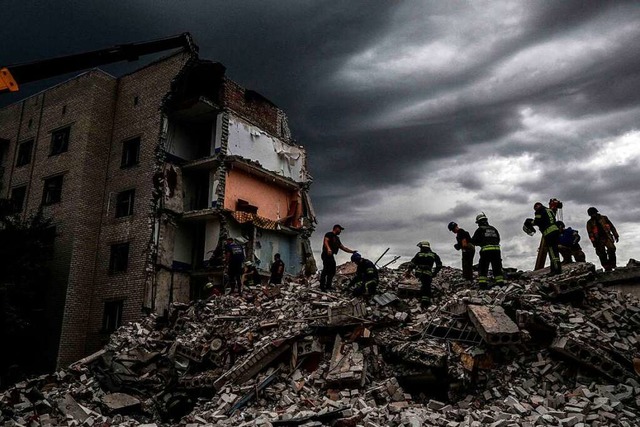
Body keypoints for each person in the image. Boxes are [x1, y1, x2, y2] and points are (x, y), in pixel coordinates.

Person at [471, 212, 504, 288]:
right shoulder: (494, 229)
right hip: (496, 251)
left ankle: (483, 285)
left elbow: (474, 241)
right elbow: (498, 239)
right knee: (497, 268)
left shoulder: (480, 230)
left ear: (479, 222)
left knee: (483, 268)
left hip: (486, 251)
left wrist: (480, 243)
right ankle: (500, 284)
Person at [319, 224, 357, 291]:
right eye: (340, 230)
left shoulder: (337, 239)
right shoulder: (329, 234)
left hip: (331, 255)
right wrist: (328, 249)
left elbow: (343, 247)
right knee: (326, 270)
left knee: (332, 270)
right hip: (326, 254)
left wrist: (352, 251)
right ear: (336, 228)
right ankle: (322, 287)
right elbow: (325, 241)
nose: (340, 231)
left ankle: (328, 286)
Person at [406, 241, 442, 306]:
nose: (420, 249)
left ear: (423, 247)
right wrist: (435, 273)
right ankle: (425, 303)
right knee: (426, 288)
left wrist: (409, 271)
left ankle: (418, 300)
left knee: (419, 286)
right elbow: (439, 265)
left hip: (418, 274)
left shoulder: (419, 254)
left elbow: (412, 264)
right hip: (427, 275)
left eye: (421, 247)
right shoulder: (433, 255)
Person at [532, 202, 562, 275]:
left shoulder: (539, 210)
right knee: (555, 251)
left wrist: (531, 222)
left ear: (537, 206)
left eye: (535, 208)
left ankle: (555, 270)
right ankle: (557, 268)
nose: (535, 209)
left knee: (552, 252)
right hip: (555, 231)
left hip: (549, 233)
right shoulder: (549, 210)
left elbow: (537, 221)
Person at [586, 207, 619, 271]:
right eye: (591, 214)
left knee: (611, 249)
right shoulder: (589, 223)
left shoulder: (604, 218)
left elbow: (612, 227)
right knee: (601, 253)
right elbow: (590, 233)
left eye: (594, 213)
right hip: (598, 240)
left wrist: (616, 235)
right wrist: (594, 242)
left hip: (607, 236)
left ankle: (612, 265)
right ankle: (607, 267)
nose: (593, 215)